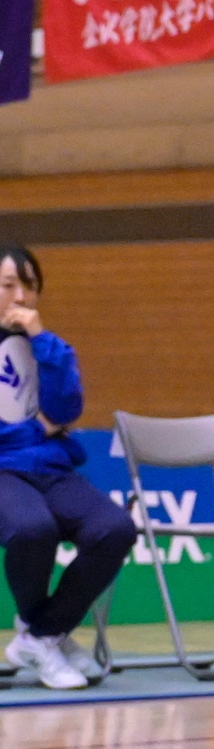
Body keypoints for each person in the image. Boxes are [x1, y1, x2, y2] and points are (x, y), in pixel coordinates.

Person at [0, 245, 136, 691]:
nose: (20, 297)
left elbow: (66, 408)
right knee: (32, 529)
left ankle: (41, 636)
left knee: (114, 528)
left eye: (29, 287)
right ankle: (47, 636)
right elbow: (45, 423)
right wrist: (36, 428)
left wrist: (40, 339)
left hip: (52, 469)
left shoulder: (48, 346)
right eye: (7, 286)